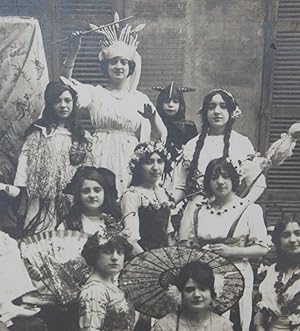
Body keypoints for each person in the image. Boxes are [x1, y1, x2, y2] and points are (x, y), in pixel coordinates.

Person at [60, 17, 167, 194]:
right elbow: (65, 84)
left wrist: (152, 118)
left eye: (124, 62)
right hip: (100, 154)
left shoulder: (140, 98)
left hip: (130, 157)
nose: (119, 66)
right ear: (106, 66)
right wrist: (74, 52)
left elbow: (161, 135)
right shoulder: (95, 93)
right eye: (113, 62)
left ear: (130, 67)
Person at [181, 158, 270, 331]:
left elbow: (262, 248)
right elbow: (192, 246)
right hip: (205, 278)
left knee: (233, 321)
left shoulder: (249, 209)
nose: (220, 182)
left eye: (226, 177)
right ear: (208, 181)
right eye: (214, 178)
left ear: (234, 179)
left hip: (237, 273)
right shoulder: (200, 210)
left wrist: (231, 251)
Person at [176, 88, 266, 241]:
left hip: (229, 212)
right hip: (196, 211)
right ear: (205, 112)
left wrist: (241, 206)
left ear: (232, 111)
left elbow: (259, 183)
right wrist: (168, 205)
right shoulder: (192, 145)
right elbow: (180, 186)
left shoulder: (242, 143)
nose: (217, 111)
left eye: (223, 106)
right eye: (211, 107)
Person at [11, 81, 93, 235]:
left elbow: (88, 168)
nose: (63, 105)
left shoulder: (82, 137)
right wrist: (23, 189)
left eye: (67, 101)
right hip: (42, 197)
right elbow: (25, 161)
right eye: (58, 101)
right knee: (41, 234)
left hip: (70, 198)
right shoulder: (39, 133)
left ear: (74, 103)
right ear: (50, 105)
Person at [120, 141, 175, 255]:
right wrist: (150, 261)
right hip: (141, 257)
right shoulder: (132, 195)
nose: (155, 167)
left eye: (160, 161)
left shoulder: (163, 193)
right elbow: (131, 240)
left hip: (164, 257)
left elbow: (169, 234)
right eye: (149, 162)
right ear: (139, 166)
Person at [79, 223, 135, 331]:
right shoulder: (95, 290)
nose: (115, 257)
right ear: (95, 255)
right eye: (107, 252)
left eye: (120, 252)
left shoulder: (111, 285)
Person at [152, 261, 234, 331]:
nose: (197, 295)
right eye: (189, 289)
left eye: (203, 289)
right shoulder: (164, 326)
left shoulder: (223, 326)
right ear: (180, 293)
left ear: (212, 293)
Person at [254, 213, 300, 331]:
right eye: (286, 235)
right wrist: (259, 327)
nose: (293, 240)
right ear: (278, 241)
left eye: (298, 233)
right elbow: (260, 317)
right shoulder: (272, 272)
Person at [59, 166, 120, 234]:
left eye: (97, 190)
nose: (92, 195)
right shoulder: (67, 226)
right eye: (86, 191)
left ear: (104, 192)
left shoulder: (116, 222)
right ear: (79, 195)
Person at [153, 81, 197, 161]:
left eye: (175, 102)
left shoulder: (189, 127)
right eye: (166, 101)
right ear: (160, 104)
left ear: (181, 105)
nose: (170, 105)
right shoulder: (155, 125)